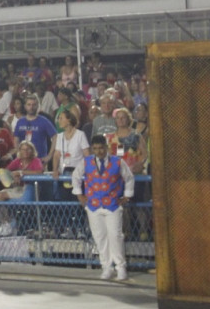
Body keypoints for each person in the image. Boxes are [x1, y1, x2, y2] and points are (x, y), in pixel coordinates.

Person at [71, 135, 135, 281]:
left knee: (115, 236)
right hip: (93, 206)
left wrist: (127, 196)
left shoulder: (118, 162)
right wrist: (79, 195)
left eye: (101, 148)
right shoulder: (86, 162)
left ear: (106, 147)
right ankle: (106, 267)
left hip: (112, 205)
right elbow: (75, 176)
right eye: (95, 149)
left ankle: (121, 267)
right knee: (100, 238)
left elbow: (129, 178)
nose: (98, 151)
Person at [0, 140, 44, 236]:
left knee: (1, 197)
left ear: (32, 151)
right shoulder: (18, 161)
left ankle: (9, 224)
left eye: (28, 149)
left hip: (30, 189)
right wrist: (13, 176)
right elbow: (6, 171)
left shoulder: (36, 161)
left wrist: (21, 173)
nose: (25, 152)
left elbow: (39, 172)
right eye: (23, 149)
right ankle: (6, 223)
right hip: (17, 188)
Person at [12, 95, 56, 160]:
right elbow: (16, 139)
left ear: (37, 106)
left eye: (34, 105)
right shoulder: (20, 122)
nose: (31, 107)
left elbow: (55, 137)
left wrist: (49, 156)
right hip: (23, 160)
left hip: (40, 160)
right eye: (29, 105)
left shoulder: (44, 121)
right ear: (25, 106)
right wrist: (18, 154)